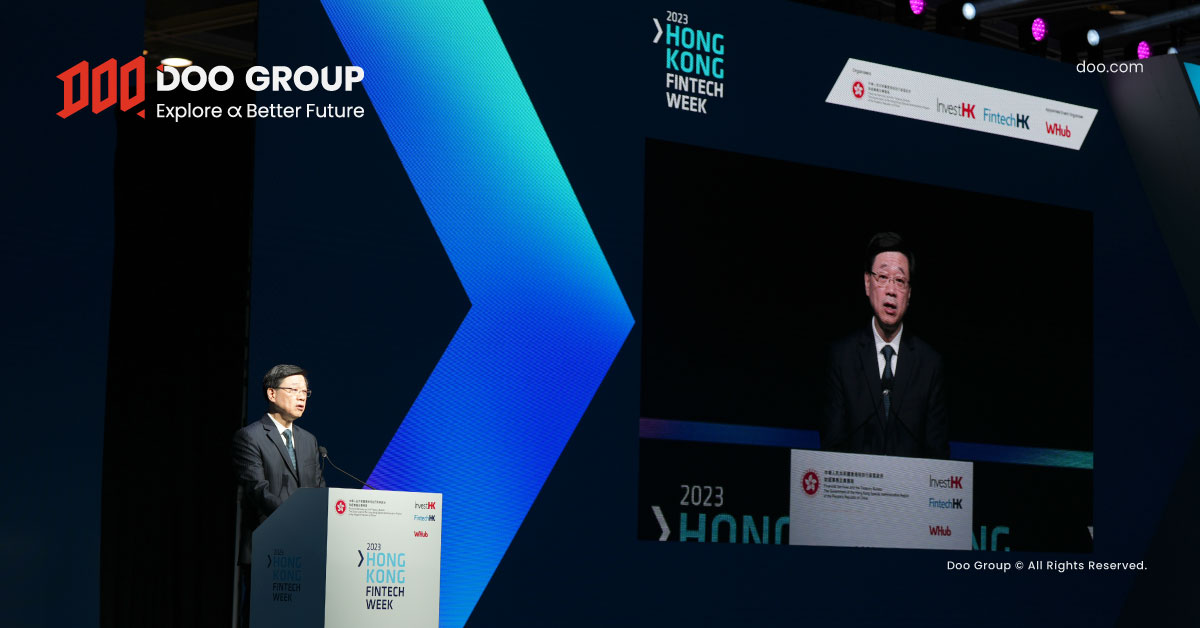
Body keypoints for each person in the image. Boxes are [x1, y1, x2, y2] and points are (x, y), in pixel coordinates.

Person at [821, 233, 949, 459]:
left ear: (909, 293)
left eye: (899, 281)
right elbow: (831, 449)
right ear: (867, 283)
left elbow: (937, 457)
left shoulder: (930, 364)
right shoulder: (842, 357)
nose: (891, 290)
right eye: (882, 277)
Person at [232, 364, 326, 627]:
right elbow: (257, 490)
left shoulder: (308, 441)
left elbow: (318, 489)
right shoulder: (249, 437)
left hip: (305, 550)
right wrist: (297, 521)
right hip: (268, 551)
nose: (301, 397)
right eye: (294, 390)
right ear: (271, 393)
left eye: (305, 392)